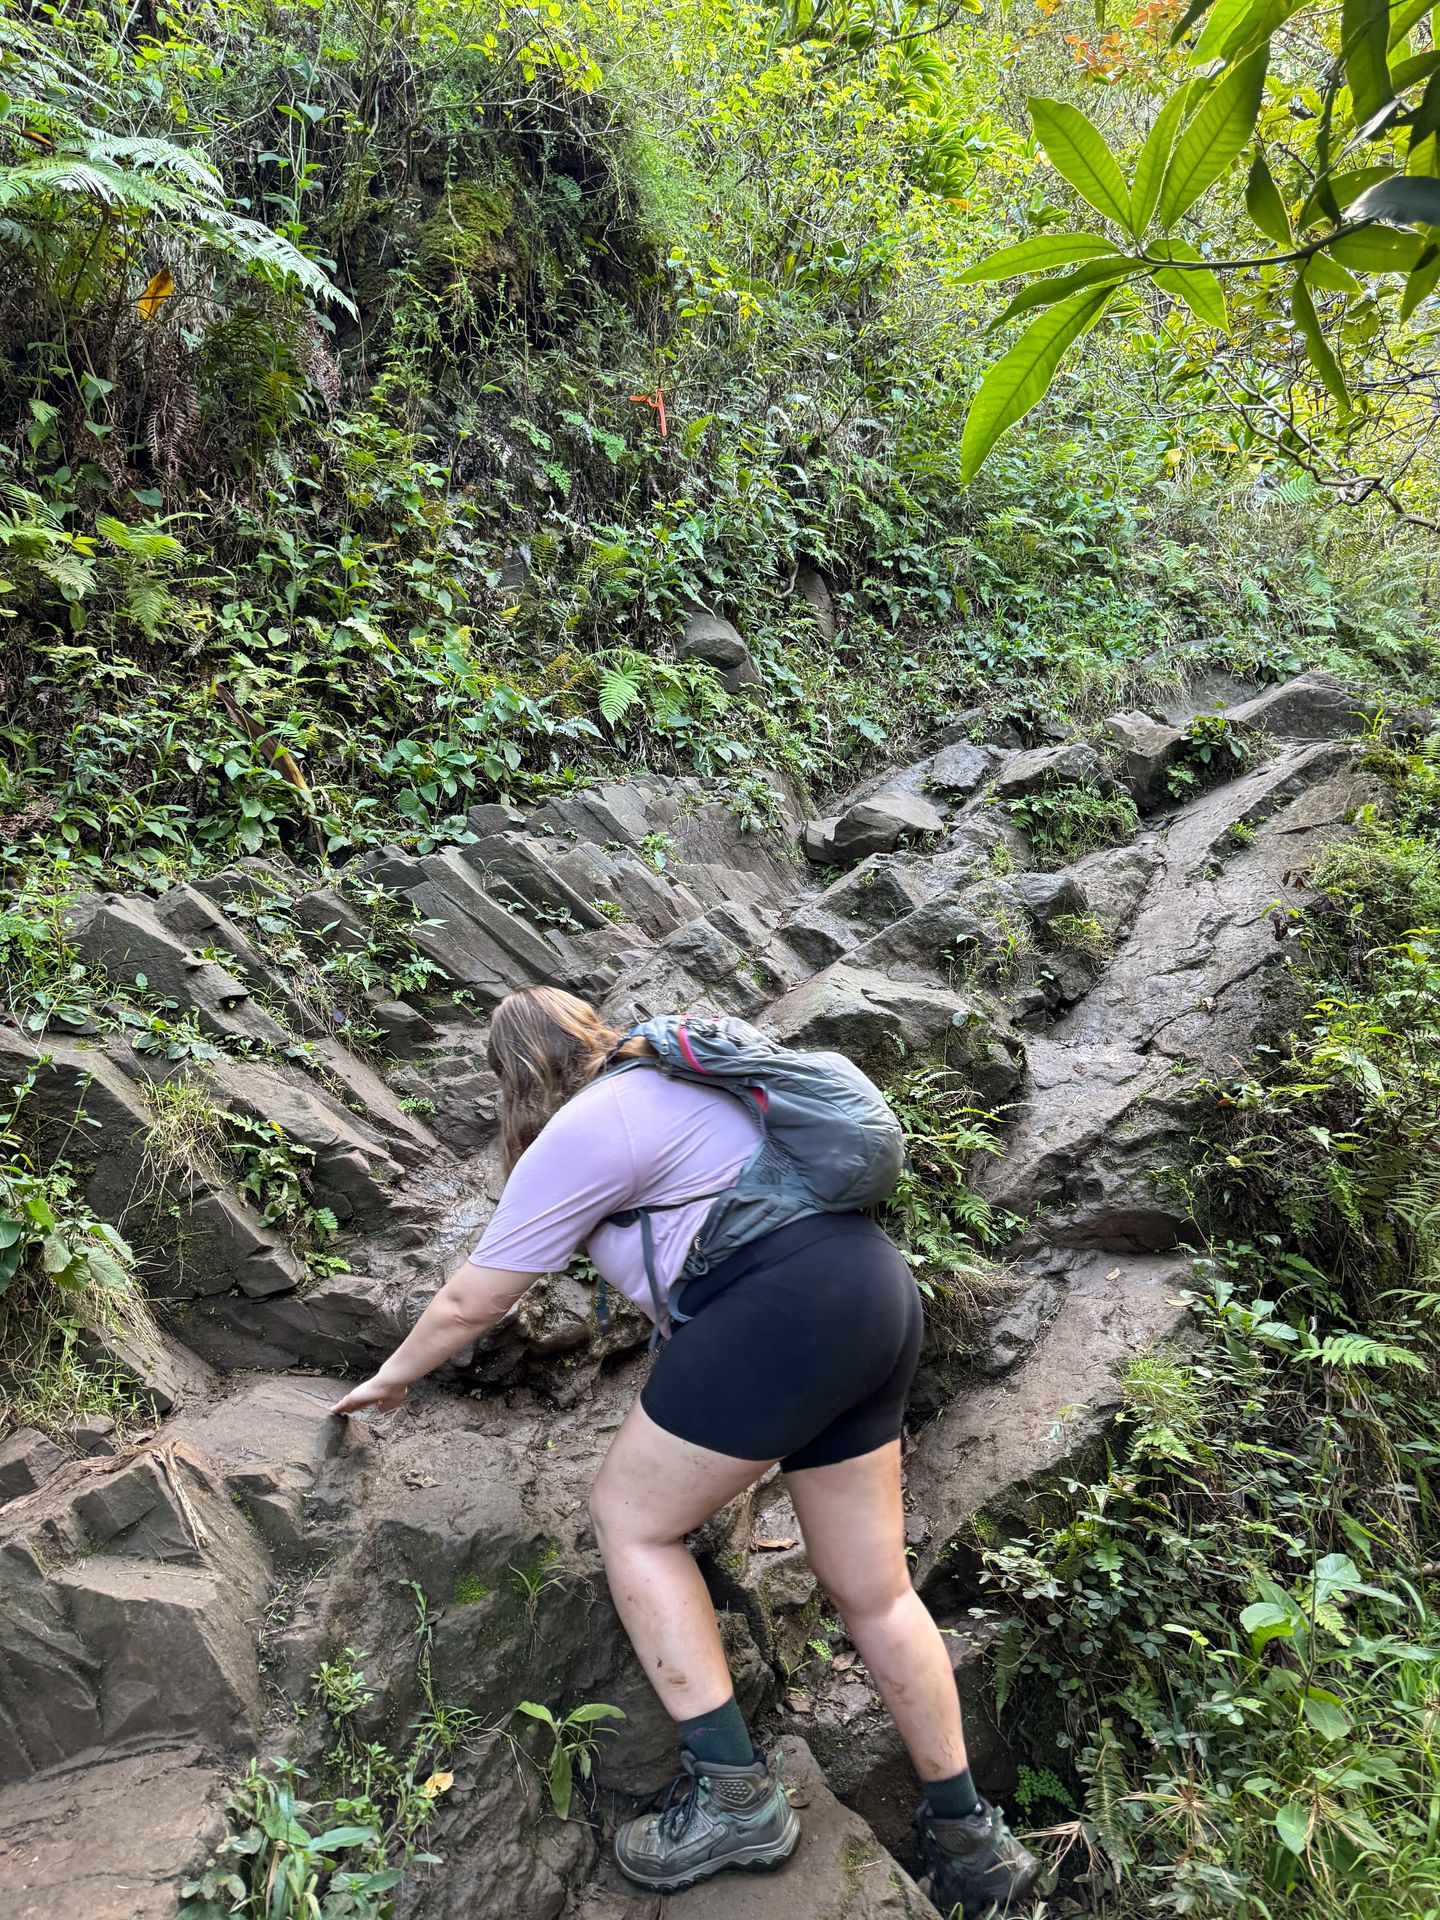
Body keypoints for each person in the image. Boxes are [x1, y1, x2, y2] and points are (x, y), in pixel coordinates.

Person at [331, 985, 1040, 1913]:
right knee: (876, 1591)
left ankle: (736, 1796)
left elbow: (474, 1299)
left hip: (783, 1310)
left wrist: (388, 1378)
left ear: (515, 1077)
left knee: (631, 1522)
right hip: (871, 1292)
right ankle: (969, 1837)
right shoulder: (690, 1087)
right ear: (591, 1032)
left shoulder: (589, 1124)